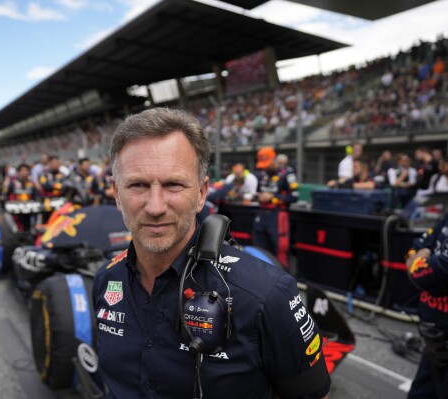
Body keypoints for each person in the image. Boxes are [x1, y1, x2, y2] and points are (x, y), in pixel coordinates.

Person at [92, 108, 330, 399]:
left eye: (173, 184)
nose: (155, 207)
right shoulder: (105, 281)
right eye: (138, 185)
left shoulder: (267, 296)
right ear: (117, 193)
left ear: (202, 194)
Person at [406, 212, 448, 398]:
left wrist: (418, 261)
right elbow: (417, 246)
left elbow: (436, 271)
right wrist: (418, 257)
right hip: (433, 340)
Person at [253, 146, 299, 268]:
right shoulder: (262, 174)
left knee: (280, 250)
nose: (266, 167)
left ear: (274, 159)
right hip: (262, 214)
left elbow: (294, 197)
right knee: (259, 248)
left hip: (278, 216)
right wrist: (259, 197)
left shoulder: (287, 174)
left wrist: (272, 198)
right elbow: (255, 193)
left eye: (268, 163)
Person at [3, 163, 40, 232]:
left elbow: (36, 196)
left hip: (30, 210)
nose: (24, 173)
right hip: (17, 211)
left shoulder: (32, 184)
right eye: (22, 171)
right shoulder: (13, 183)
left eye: (26, 171)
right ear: (18, 172)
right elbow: (6, 195)